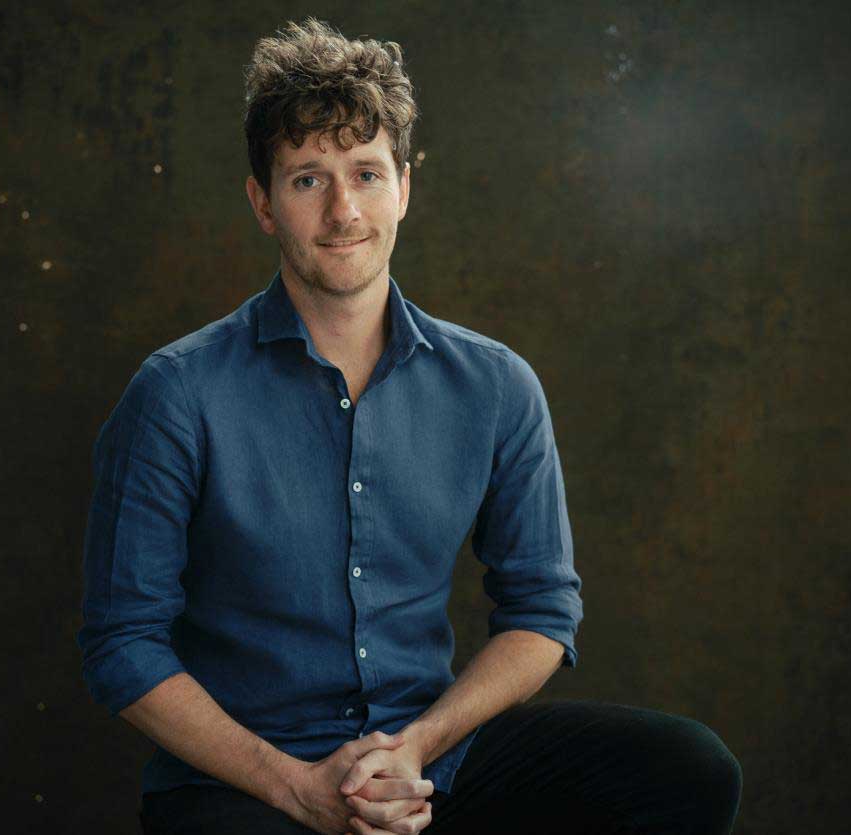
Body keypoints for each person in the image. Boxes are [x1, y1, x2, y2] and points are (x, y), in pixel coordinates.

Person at [76, 16, 743, 835]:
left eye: (365, 172)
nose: (342, 209)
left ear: (404, 187)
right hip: (245, 778)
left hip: (430, 761)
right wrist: (295, 788)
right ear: (262, 203)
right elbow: (122, 643)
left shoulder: (495, 385)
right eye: (307, 180)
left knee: (685, 769)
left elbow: (541, 610)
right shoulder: (175, 394)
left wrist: (418, 746)